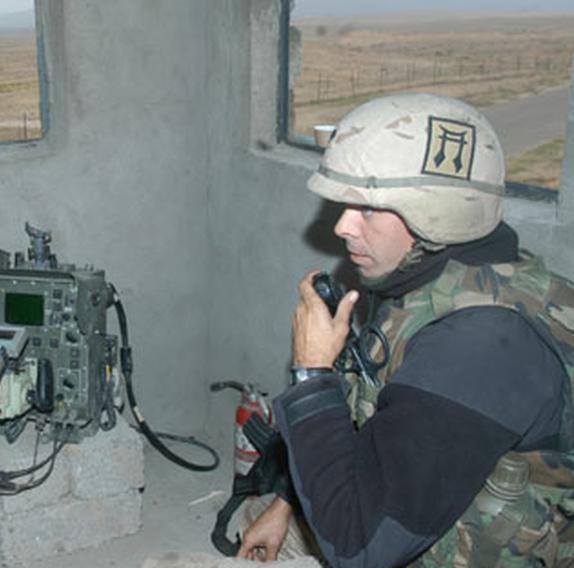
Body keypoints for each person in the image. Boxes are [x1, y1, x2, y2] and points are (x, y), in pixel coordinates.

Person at [238, 93, 574, 567]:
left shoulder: (477, 349)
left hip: (402, 543)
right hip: (415, 512)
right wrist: (285, 505)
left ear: (436, 214)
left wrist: (312, 376)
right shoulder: (439, 279)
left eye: (368, 208)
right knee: (256, 520)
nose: (343, 226)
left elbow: (358, 549)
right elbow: (371, 416)